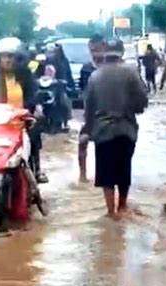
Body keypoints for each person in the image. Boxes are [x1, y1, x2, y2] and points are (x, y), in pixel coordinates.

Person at [84, 38, 148, 219]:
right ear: (122, 53)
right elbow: (142, 101)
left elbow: (88, 108)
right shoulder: (131, 73)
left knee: (105, 174)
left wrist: (87, 131)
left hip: (103, 131)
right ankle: (122, 206)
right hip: (126, 129)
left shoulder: (95, 77)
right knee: (123, 170)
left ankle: (110, 212)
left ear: (105, 54)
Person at [0, 37, 48, 183]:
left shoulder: (26, 76)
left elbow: (34, 95)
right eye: (3, 56)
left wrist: (35, 109)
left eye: (10, 56)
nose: (7, 60)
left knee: (34, 136)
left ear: (18, 58)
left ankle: (37, 169)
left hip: (21, 121)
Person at [79, 34, 105, 183]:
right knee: (82, 142)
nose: (95, 52)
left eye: (98, 49)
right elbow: (84, 92)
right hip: (91, 113)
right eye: (92, 49)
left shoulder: (110, 68)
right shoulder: (86, 68)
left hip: (107, 112)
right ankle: (83, 175)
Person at [45, 43, 74, 131]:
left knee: (63, 102)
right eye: (50, 51)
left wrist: (68, 83)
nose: (52, 53)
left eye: (54, 51)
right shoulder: (43, 61)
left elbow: (67, 74)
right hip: (46, 86)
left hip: (59, 86)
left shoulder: (64, 61)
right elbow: (36, 72)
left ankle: (65, 122)